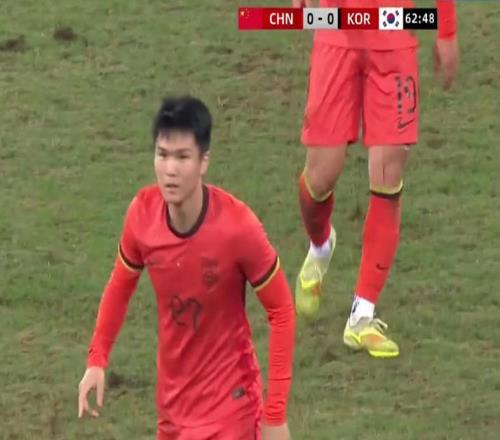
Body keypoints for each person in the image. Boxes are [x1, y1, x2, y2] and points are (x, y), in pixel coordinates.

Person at [77, 95, 295, 439]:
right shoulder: (141, 216)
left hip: (231, 407)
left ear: (204, 161)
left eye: (182, 157)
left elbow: (281, 310)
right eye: (162, 155)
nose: (170, 169)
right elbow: (119, 287)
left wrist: (275, 414)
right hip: (173, 411)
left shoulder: (238, 228)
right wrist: (96, 359)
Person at [293, 0, 459, 358]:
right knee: (321, 177)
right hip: (337, 28)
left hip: (393, 35)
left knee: (387, 174)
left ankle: (362, 316)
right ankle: (321, 246)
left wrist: (446, 30)